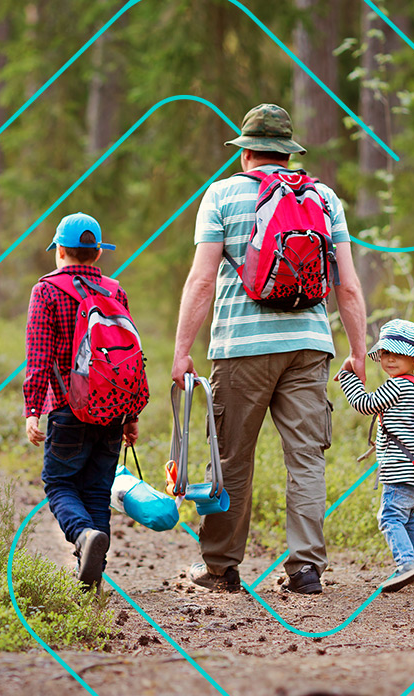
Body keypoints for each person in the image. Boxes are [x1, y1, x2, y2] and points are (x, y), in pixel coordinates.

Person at [169, 103, 370, 596]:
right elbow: (347, 286)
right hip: (309, 346)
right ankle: (305, 569)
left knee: (232, 459)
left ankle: (220, 568)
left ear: (247, 153)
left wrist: (181, 351)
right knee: (306, 459)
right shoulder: (324, 198)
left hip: (241, 348)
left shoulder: (221, 196)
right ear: (287, 152)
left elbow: (201, 282)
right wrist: (358, 352)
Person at [24, 212, 142, 589]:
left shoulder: (47, 290)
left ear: (60, 251)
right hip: (113, 408)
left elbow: (39, 356)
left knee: (58, 484)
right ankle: (91, 579)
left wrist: (32, 410)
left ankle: (81, 536)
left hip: (66, 407)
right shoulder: (114, 290)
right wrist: (131, 413)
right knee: (95, 490)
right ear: (97, 254)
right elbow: (128, 356)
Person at [335, 320, 414, 593]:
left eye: (399, 354)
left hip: (399, 470)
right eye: (386, 353)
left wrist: (347, 376)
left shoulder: (397, 386)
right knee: (407, 517)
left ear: (413, 358)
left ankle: (407, 565)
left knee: (390, 516)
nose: (391, 359)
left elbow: (364, 404)